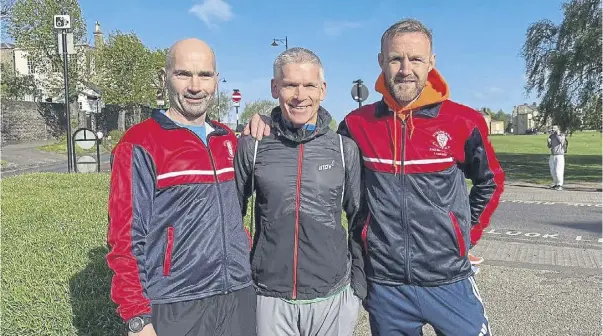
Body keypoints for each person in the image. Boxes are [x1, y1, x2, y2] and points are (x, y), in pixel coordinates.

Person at [245, 18, 505, 336]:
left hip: (448, 279)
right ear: (381, 61)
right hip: (386, 286)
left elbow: (491, 181)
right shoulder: (357, 125)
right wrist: (265, 119)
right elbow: (312, 140)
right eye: (396, 58)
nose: (405, 69)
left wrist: (465, 237)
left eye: (416, 59)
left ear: (432, 62)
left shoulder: (463, 120)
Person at [106, 38, 256, 336]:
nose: (195, 86)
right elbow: (124, 238)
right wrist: (137, 317)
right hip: (177, 302)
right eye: (183, 74)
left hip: (239, 294)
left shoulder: (228, 139)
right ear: (165, 79)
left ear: (216, 79)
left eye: (204, 75)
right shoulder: (140, 143)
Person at [234, 47, 366, 336]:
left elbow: (360, 220)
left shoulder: (344, 150)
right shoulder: (253, 145)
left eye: (309, 85)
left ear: (323, 90)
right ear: (274, 88)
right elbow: (232, 216)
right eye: (290, 84)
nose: (299, 95)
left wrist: (358, 287)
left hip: (332, 296)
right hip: (269, 295)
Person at [547, 126, 568, 191]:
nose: (553, 129)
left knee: (558, 170)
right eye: (552, 128)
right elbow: (549, 146)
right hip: (552, 155)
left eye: (555, 128)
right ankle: (555, 183)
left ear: (558, 128)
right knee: (552, 170)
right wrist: (549, 142)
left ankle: (560, 184)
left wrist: (557, 133)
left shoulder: (562, 135)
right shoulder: (552, 136)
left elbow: (560, 141)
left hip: (559, 155)